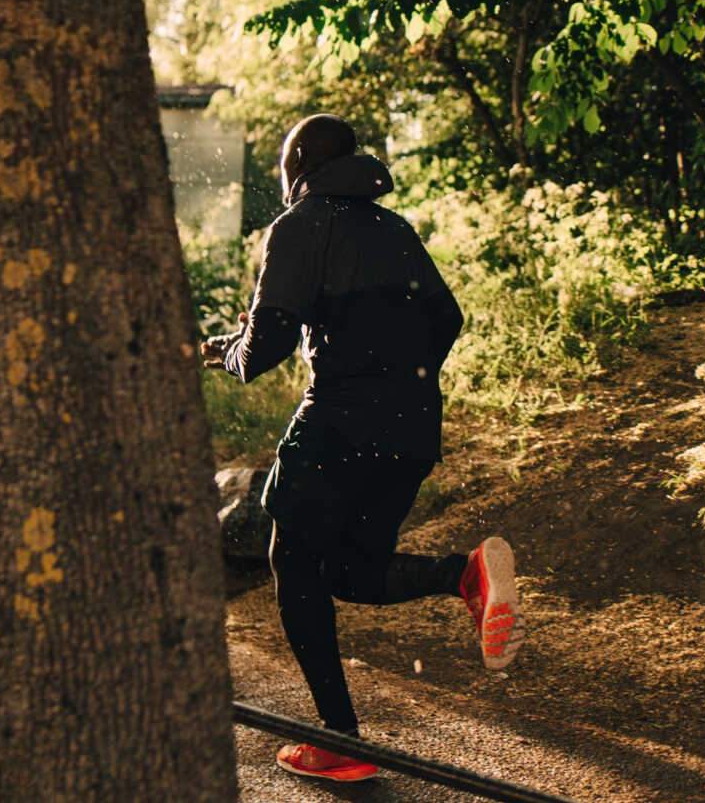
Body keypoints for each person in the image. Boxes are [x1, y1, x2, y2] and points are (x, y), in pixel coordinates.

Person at [203, 113, 522, 783]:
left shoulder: (297, 226)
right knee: (347, 571)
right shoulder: (394, 229)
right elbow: (448, 317)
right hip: (410, 428)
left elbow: (263, 351)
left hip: (338, 423)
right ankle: (461, 575)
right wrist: (398, 376)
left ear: (295, 164)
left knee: (291, 565)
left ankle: (341, 739)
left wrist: (221, 352)